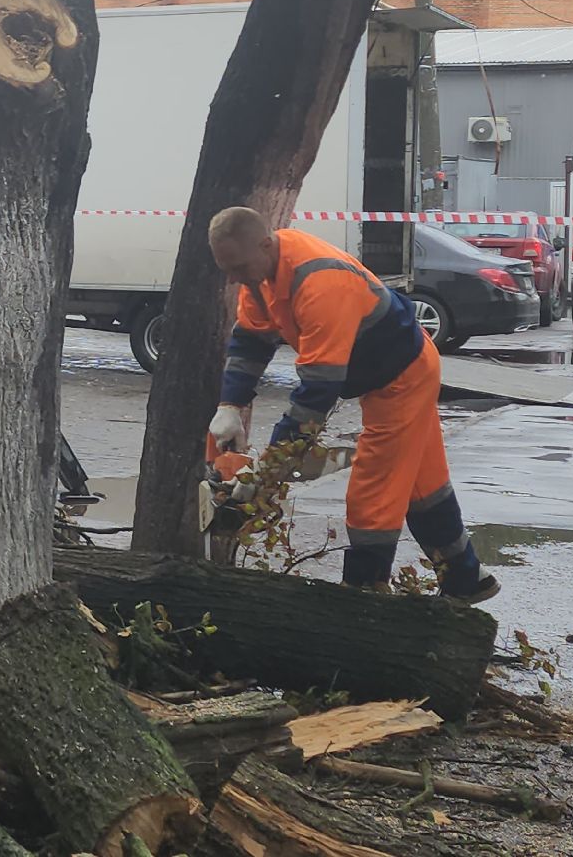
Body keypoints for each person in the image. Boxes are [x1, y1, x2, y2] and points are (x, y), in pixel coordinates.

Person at [204, 206, 498, 603]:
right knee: (422, 485)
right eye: (226, 270)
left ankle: (364, 593)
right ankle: (466, 577)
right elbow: (251, 341)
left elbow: (317, 394)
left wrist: (268, 472)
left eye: (238, 267)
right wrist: (230, 405)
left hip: (401, 376)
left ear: (265, 244)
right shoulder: (259, 277)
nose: (233, 279)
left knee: (373, 491)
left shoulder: (321, 284)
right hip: (391, 370)